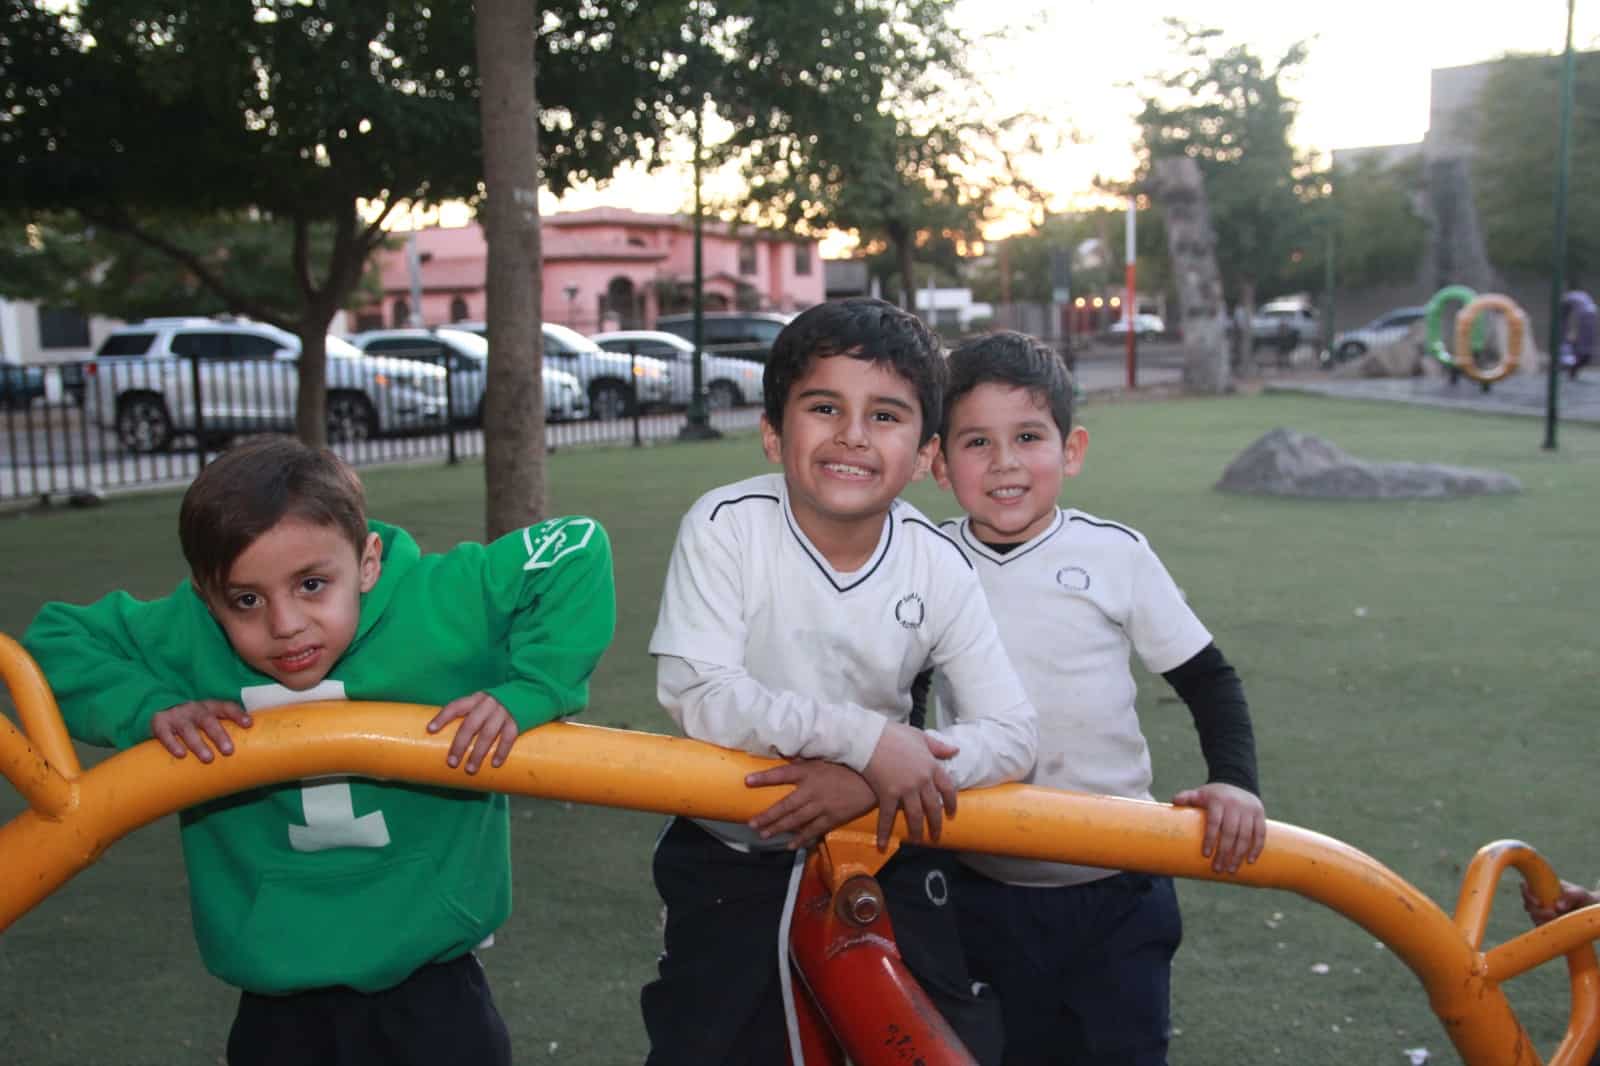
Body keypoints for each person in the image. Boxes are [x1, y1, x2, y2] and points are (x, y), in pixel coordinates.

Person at [22, 436, 616, 1066]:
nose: (285, 624)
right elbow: (52, 639)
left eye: (311, 584)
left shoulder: (435, 597)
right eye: (246, 600)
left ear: (368, 563)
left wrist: (531, 690)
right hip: (278, 987)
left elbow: (576, 547)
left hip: (431, 975)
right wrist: (149, 708)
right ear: (206, 596)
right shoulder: (188, 631)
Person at [642, 297, 1038, 1065]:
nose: (853, 435)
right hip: (735, 846)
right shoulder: (726, 527)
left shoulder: (937, 563)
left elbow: (1012, 733)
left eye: (885, 415)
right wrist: (866, 742)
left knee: (937, 1039)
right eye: (825, 407)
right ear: (771, 432)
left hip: (879, 842)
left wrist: (873, 777)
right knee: (714, 1042)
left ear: (926, 454)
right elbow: (702, 695)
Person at [929, 330, 1266, 1066]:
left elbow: (1209, 679)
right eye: (976, 442)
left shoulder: (1115, 554)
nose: (1005, 462)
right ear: (938, 460)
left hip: (1118, 884)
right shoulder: (927, 562)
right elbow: (898, 696)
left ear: (1071, 449)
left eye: (1027, 436)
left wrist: (1235, 783)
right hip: (981, 883)